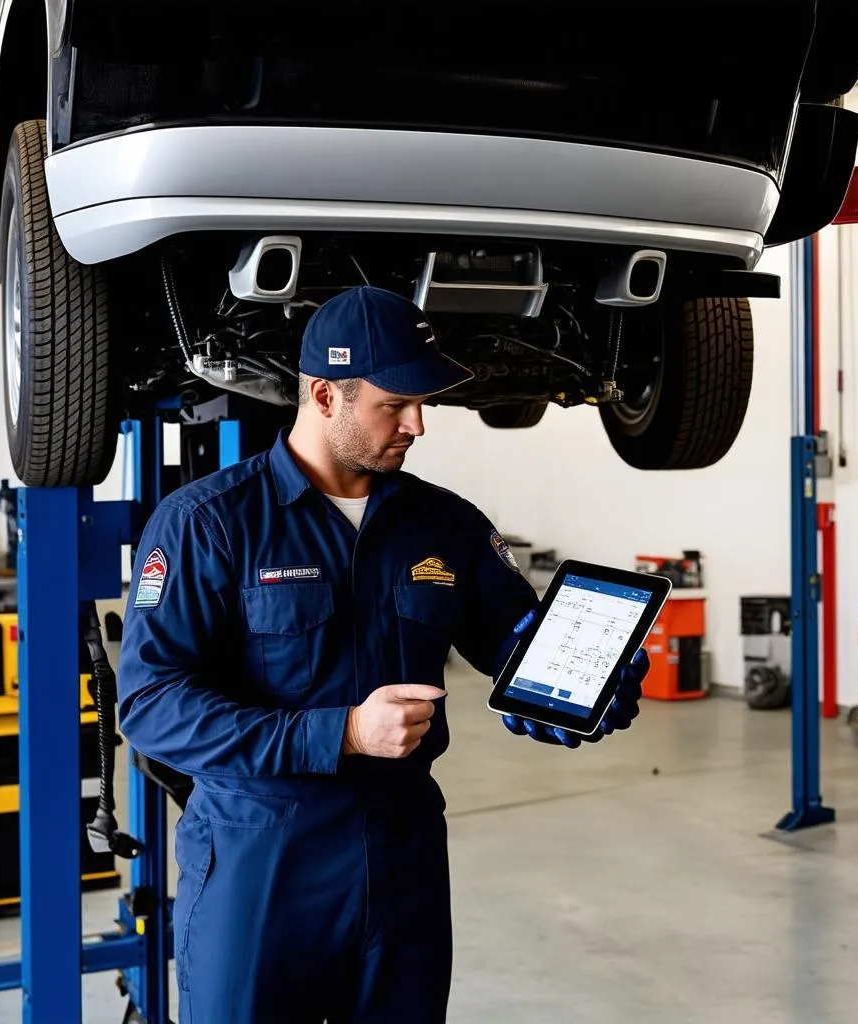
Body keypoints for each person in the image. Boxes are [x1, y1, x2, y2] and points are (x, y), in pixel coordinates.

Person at [115, 285, 650, 1024]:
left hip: (401, 856)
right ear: (325, 394)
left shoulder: (446, 523)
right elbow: (151, 706)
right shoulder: (207, 525)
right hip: (260, 860)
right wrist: (341, 732)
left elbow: (515, 647)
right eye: (394, 404)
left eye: (422, 402)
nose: (418, 425)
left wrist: (590, 688)